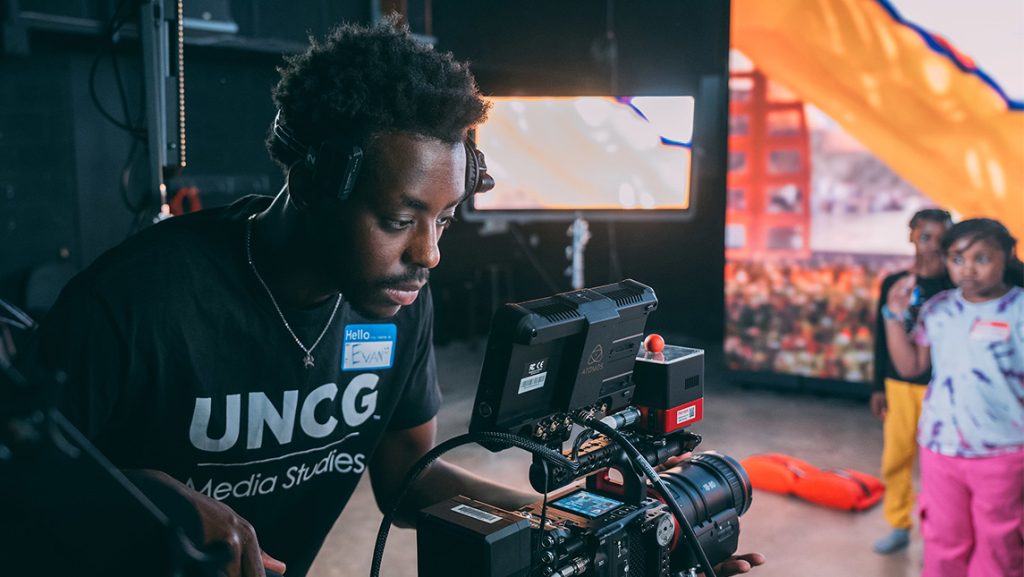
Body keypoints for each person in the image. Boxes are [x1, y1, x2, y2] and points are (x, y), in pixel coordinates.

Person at [22, 19, 764, 577]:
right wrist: (138, 495)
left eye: (443, 221)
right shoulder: (140, 298)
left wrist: (572, 518)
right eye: (399, 220)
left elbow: (408, 484)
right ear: (315, 184)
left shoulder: (398, 304)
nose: (429, 255)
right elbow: (21, 485)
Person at [883, 218, 1024, 577]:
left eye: (981, 258)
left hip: (1004, 452)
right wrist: (892, 316)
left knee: (1000, 543)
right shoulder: (939, 309)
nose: (968, 270)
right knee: (943, 539)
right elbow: (911, 366)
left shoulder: (1020, 310)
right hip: (940, 449)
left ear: (1007, 256)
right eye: (958, 259)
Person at [869, 208, 953, 554]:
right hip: (897, 387)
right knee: (896, 458)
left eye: (942, 239)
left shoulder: (955, 285)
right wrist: (877, 386)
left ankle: (939, 532)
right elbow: (880, 337)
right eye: (926, 236)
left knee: (939, 466)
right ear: (912, 235)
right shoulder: (895, 283)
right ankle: (900, 524)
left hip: (941, 386)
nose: (933, 246)